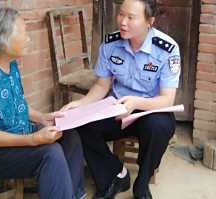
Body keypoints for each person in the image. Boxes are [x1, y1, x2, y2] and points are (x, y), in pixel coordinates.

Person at [0, 7, 86, 199]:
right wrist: (33, 140)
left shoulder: (10, 62)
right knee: (50, 153)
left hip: (15, 133)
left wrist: (42, 117)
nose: (28, 38)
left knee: (70, 136)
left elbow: (18, 102)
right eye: (23, 33)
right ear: (1, 40)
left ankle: (72, 195)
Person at [61, 0, 181, 199]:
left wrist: (135, 103)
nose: (123, 22)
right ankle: (115, 175)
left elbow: (167, 100)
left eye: (131, 18)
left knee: (159, 126)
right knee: (80, 125)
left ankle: (142, 185)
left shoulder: (167, 49)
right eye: (121, 14)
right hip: (117, 108)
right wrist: (80, 105)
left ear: (149, 21)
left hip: (151, 110)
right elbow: (101, 85)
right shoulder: (111, 43)